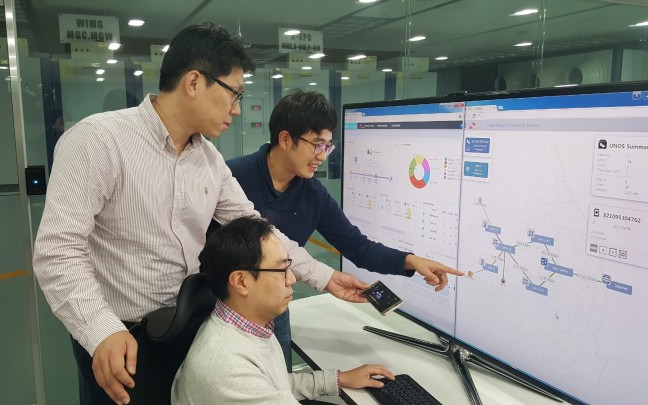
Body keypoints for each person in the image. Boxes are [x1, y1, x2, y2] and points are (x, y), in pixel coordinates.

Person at [33, 23, 372, 405]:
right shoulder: (99, 140)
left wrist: (326, 277)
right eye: (234, 93)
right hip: (120, 342)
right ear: (194, 82)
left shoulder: (209, 160)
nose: (237, 109)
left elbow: (257, 228)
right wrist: (100, 329)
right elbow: (57, 252)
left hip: (186, 329)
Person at [225, 90, 464, 370]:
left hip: (274, 309)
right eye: (317, 145)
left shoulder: (313, 194)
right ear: (286, 139)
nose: (322, 157)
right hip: (224, 307)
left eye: (328, 147)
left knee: (280, 380)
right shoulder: (232, 177)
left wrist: (411, 261)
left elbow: (357, 247)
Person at [172, 216, 395, 404]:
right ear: (240, 282)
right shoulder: (228, 368)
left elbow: (274, 385)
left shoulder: (246, 324)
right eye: (281, 270)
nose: (292, 279)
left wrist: (339, 379)